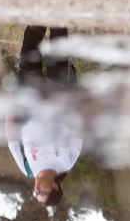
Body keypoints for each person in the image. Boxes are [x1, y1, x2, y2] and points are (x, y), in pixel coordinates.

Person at [6, 25, 82, 206]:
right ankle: (58, 12)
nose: (36, 189)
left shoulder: (27, 169)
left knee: (29, 50)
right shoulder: (67, 162)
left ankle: (37, 16)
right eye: (42, 191)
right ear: (55, 188)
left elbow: (12, 140)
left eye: (36, 193)